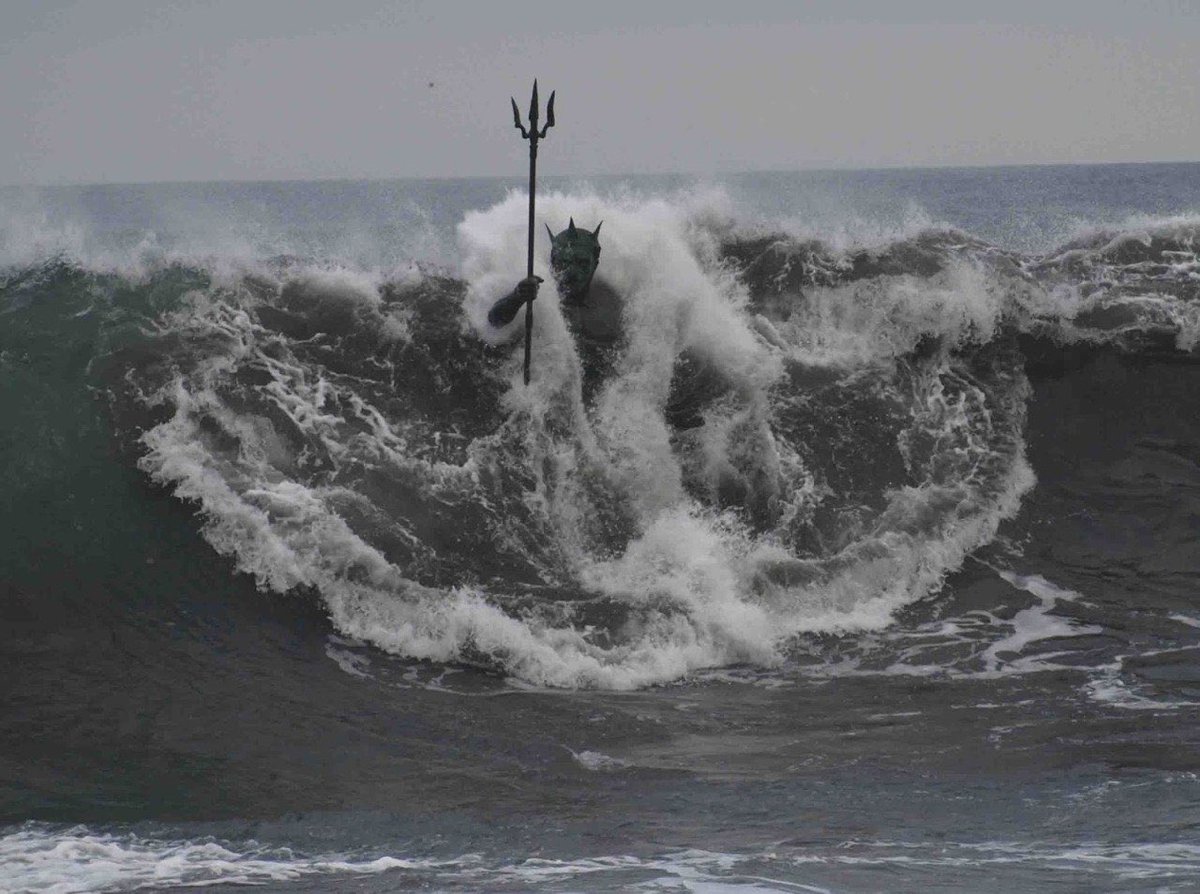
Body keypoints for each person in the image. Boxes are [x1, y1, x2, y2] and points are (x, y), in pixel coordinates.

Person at [488, 219, 621, 401]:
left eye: (581, 263)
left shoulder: (610, 301)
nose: (572, 271)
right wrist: (517, 297)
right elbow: (494, 321)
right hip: (541, 404)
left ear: (595, 263)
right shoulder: (538, 297)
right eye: (564, 262)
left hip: (601, 409)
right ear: (553, 261)